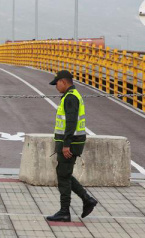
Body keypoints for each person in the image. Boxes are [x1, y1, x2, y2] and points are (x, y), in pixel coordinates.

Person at [46, 70, 98, 222]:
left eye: (57, 84)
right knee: (64, 173)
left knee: (63, 176)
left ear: (63, 81)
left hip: (71, 143)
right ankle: (87, 199)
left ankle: (65, 212)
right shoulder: (73, 95)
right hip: (73, 141)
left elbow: (71, 122)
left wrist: (66, 144)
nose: (56, 87)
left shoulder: (70, 98)